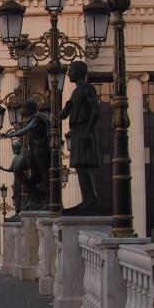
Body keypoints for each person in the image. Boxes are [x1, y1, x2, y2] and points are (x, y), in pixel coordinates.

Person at [61, 60, 101, 214]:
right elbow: (62, 115)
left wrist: (87, 132)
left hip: (84, 129)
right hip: (77, 130)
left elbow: (95, 110)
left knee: (84, 166)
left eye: (71, 70)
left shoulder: (87, 88)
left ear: (78, 72)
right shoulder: (75, 92)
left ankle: (91, 200)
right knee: (79, 166)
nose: (68, 74)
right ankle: (87, 200)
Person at [1, 100, 51, 209]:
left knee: (42, 174)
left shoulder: (37, 118)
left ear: (31, 108)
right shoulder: (32, 119)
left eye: (25, 108)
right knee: (18, 169)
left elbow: (28, 129)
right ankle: (33, 191)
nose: (23, 111)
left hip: (40, 150)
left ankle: (45, 198)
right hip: (31, 151)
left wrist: (11, 135)